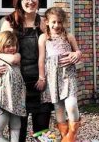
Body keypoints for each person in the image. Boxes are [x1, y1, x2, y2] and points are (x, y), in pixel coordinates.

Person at [0, 0, 80, 141]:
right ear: (19, 1)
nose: (30, 2)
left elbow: (63, 42)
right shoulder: (9, 23)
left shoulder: (44, 22)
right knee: (18, 132)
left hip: (42, 83)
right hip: (17, 84)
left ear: (38, 0)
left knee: (42, 133)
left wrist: (76, 54)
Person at [37, 7, 83, 142]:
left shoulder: (69, 36)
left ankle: (72, 134)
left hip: (68, 75)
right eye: (54, 22)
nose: (57, 25)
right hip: (52, 77)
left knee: (72, 105)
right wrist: (41, 77)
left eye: (60, 22)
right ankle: (65, 137)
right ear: (46, 22)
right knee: (59, 108)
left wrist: (77, 54)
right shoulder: (43, 38)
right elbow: (41, 59)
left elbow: (78, 52)